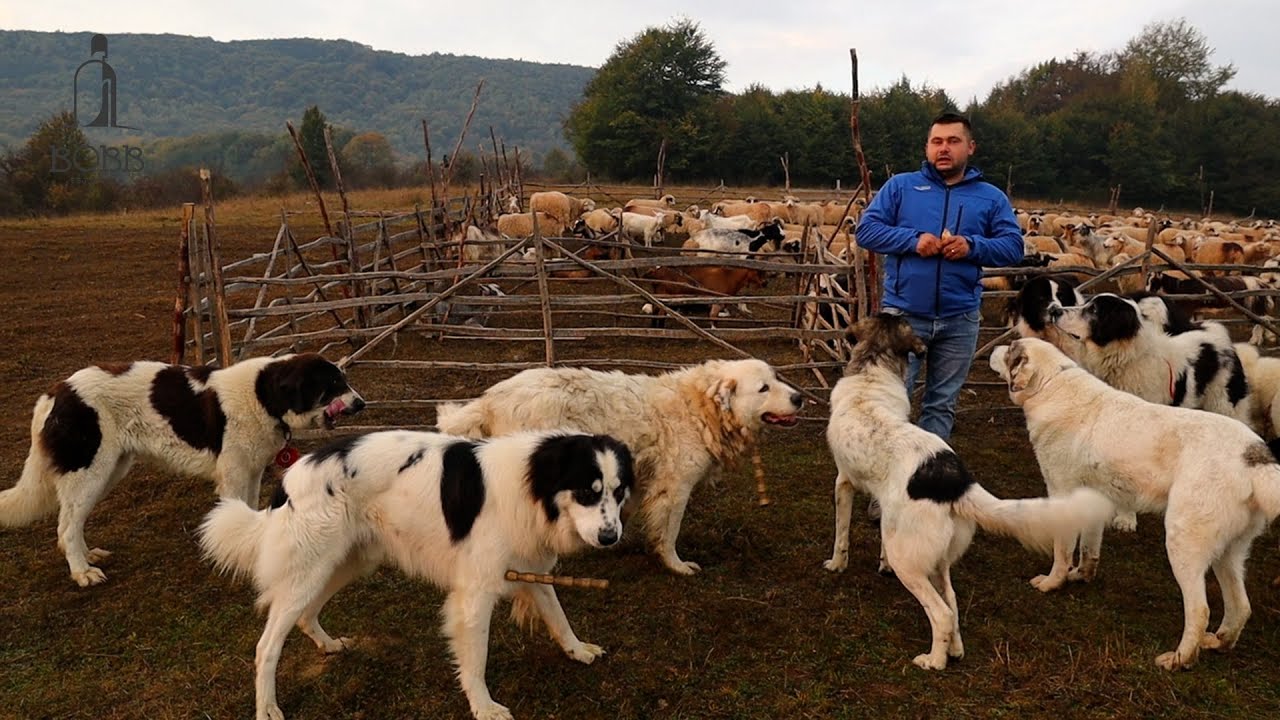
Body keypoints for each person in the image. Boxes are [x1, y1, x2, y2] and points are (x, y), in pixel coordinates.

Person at [855, 111, 1024, 441]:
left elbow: (1013, 247)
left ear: (970, 147)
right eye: (937, 142)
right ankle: (888, 482)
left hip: (959, 318)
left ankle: (927, 484)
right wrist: (914, 240)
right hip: (903, 316)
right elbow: (867, 231)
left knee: (941, 404)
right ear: (927, 147)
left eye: (953, 141)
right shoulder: (901, 187)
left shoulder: (990, 197)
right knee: (891, 400)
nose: (943, 148)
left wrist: (971, 246)